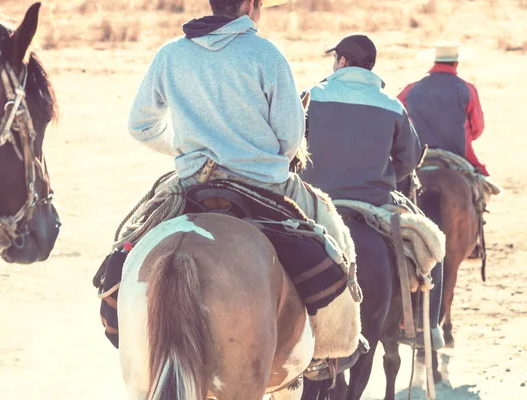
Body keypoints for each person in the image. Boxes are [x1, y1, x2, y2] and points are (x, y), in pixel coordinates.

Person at [127, 0, 363, 373]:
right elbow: (289, 138)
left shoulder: (170, 54)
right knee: (331, 233)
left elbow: (141, 126)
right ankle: (334, 346)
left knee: (129, 236)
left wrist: (191, 149)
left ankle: (115, 314)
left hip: (192, 180)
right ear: (252, 6)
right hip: (262, 183)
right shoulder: (266, 54)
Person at [300, 33, 444, 352]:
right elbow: (409, 158)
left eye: (334, 58)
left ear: (342, 61)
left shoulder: (312, 95)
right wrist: (382, 177)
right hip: (373, 202)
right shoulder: (391, 105)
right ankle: (425, 327)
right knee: (432, 243)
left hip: (312, 201)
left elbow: (288, 145)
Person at [398, 41, 489, 176]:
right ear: (456, 63)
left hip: (417, 153)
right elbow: (477, 128)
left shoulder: (411, 89)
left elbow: (396, 118)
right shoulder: (467, 89)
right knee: (483, 185)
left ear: (434, 62)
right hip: (459, 152)